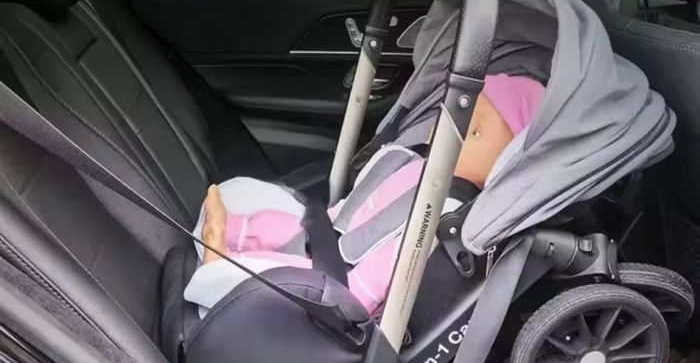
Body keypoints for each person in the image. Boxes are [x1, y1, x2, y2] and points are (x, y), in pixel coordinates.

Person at [185, 74, 545, 318]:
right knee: (274, 216)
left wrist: (350, 296)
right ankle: (230, 232)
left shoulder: (448, 211)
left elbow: (381, 275)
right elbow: (355, 211)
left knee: (283, 277)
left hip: (344, 284)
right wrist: (326, 225)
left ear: (508, 162)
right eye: (453, 118)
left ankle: (222, 271)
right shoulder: (416, 166)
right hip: (333, 235)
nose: (452, 133)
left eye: (474, 131)